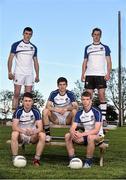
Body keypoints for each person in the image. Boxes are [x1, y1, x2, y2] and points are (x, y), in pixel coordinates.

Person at [81, 27, 112, 125]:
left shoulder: (105, 47)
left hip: (101, 75)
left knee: (102, 95)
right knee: (88, 97)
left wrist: (108, 73)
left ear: (100, 36)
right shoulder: (88, 47)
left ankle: (103, 119)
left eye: (98, 34)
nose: (96, 36)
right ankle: (88, 117)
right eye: (95, 34)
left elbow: (109, 62)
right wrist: (83, 74)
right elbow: (85, 62)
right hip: (89, 75)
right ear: (92, 35)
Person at [65, 91, 104, 168]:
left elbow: (96, 130)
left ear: (90, 100)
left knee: (91, 137)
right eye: (83, 99)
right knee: (67, 136)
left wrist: (81, 134)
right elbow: (73, 127)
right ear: (81, 100)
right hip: (86, 135)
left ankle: (88, 162)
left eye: (87, 99)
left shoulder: (97, 111)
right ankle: (72, 160)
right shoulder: (79, 112)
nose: (85, 101)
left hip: (98, 136)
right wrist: (73, 133)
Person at [8, 27, 39, 112]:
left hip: (29, 74)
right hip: (19, 72)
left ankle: (26, 115)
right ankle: (14, 114)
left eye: (29, 34)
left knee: (28, 96)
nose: (28, 36)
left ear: (31, 35)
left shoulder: (33, 47)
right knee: (17, 94)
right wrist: (9, 72)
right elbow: (10, 59)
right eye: (26, 33)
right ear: (23, 34)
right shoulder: (16, 45)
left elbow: (36, 62)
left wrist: (37, 75)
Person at [11, 92, 45, 166]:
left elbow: (40, 128)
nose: (27, 103)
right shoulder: (18, 111)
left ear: (32, 102)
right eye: (26, 101)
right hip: (21, 134)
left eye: (29, 101)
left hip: (32, 136)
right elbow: (14, 127)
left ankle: (36, 159)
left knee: (42, 135)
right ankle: (14, 158)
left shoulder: (36, 111)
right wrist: (24, 131)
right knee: (14, 133)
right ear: (22, 102)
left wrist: (33, 132)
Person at [43, 77, 78, 141]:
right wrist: (56, 110)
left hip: (67, 118)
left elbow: (76, 106)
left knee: (74, 111)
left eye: (64, 84)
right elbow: (47, 106)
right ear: (57, 85)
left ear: (66, 85)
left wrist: (66, 109)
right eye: (60, 85)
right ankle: (48, 135)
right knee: (45, 111)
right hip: (56, 118)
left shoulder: (70, 94)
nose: (62, 86)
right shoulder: (53, 93)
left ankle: (72, 134)